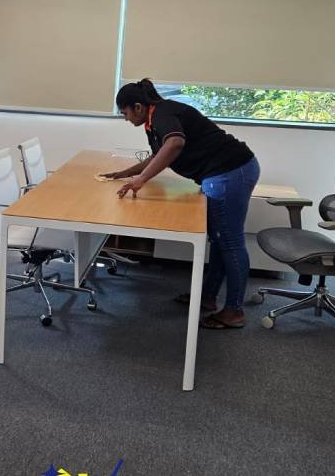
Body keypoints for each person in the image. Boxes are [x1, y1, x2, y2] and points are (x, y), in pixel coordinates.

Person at [102, 79, 260, 329]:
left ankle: (234, 311)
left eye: (125, 113)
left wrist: (141, 180)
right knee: (220, 240)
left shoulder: (163, 113)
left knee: (230, 242)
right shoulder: (154, 120)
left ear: (138, 107)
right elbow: (159, 153)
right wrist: (127, 173)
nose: (125, 118)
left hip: (230, 171)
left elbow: (175, 143)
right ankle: (208, 297)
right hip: (222, 173)